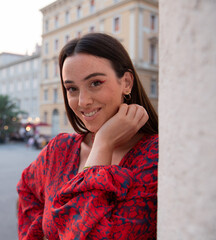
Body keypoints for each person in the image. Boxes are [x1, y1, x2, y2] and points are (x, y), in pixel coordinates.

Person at [17, 33, 158, 239]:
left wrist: (104, 143)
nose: (82, 102)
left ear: (126, 82)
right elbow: (26, 189)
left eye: (95, 83)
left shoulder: (155, 157)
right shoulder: (60, 149)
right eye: (72, 88)